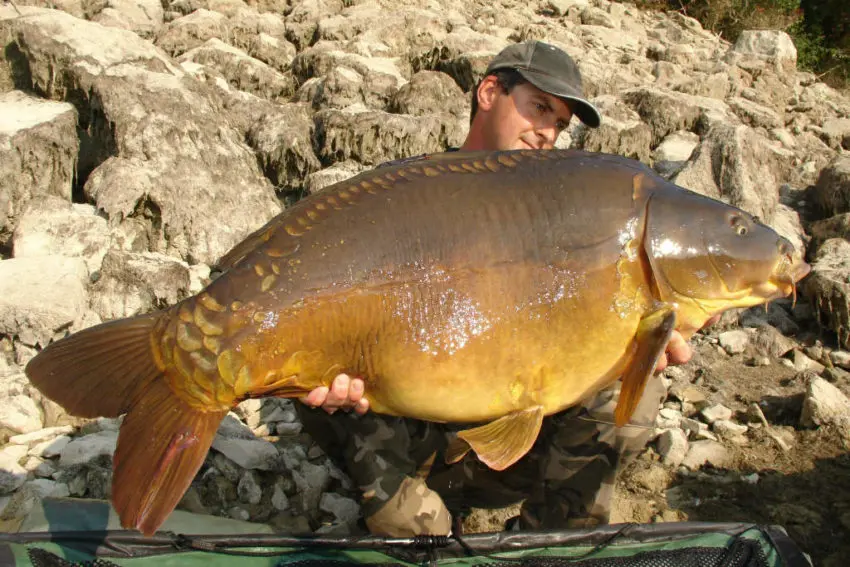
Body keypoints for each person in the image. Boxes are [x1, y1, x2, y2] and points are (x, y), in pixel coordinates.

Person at [295, 40, 695, 536]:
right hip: (402, 439)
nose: (547, 132)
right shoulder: (402, 192)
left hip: (509, 454)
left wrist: (635, 340)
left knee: (637, 382)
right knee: (316, 356)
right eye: (540, 108)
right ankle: (417, 522)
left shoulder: (562, 215)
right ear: (489, 92)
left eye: (560, 124)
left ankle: (551, 541)